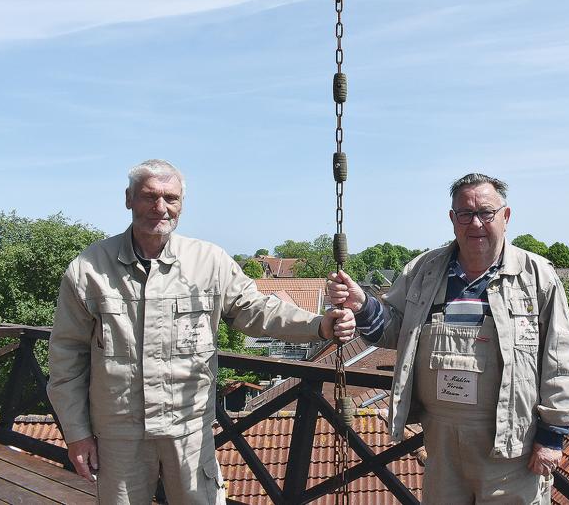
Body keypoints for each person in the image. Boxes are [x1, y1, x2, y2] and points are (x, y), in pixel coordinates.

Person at [46, 159, 355, 504]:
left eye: (171, 198)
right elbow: (66, 358)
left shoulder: (209, 262)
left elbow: (255, 310)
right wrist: (77, 433)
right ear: (128, 199)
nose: (160, 208)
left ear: (182, 204)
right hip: (119, 433)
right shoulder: (88, 269)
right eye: (149, 197)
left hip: (190, 430)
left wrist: (319, 325)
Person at [326, 173, 569, 504]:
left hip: (511, 452)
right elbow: (393, 331)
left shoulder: (537, 276)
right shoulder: (423, 271)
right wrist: (361, 303)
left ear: (506, 217)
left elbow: (560, 359)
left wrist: (553, 437)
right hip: (441, 447)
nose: (475, 223)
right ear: (452, 219)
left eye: (486, 213)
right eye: (465, 214)